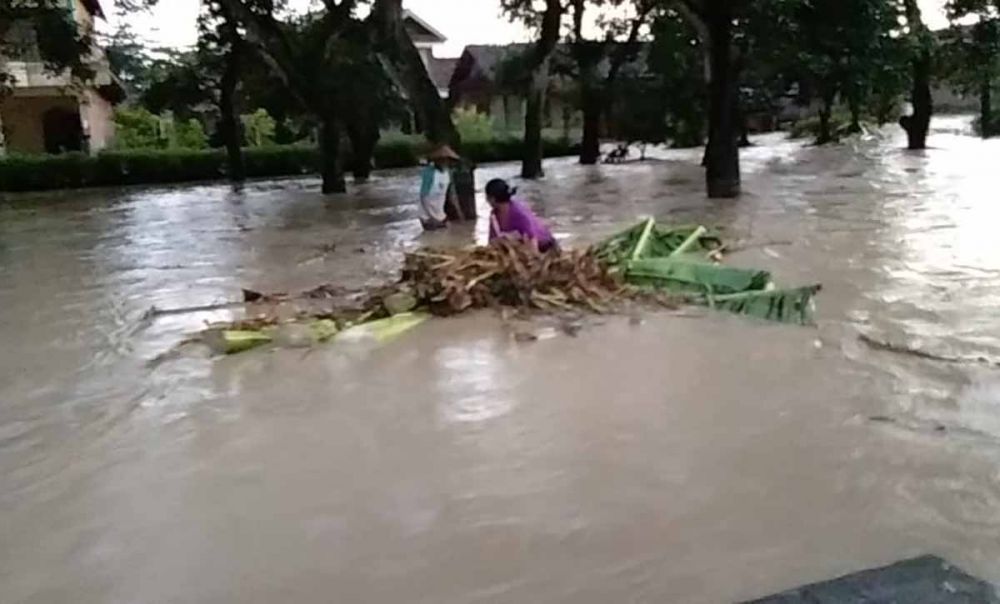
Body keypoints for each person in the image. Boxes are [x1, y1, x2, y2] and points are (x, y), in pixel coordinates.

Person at [485, 178, 556, 252]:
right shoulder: (494, 216)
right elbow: (492, 242)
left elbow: (532, 240)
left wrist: (534, 260)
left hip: (545, 247)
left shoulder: (519, 213)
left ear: (492, 198)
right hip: (521, 248)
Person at [418, 145, 463, 230]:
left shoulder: (448, 174)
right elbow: (423, 196)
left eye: (446, 160)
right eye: (441, 160)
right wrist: (432, 217)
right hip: (427, 215)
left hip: (440, 213)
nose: (444, 162)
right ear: (436, 161)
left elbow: (452, 196)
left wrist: (460, 214)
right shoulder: (429, 173)